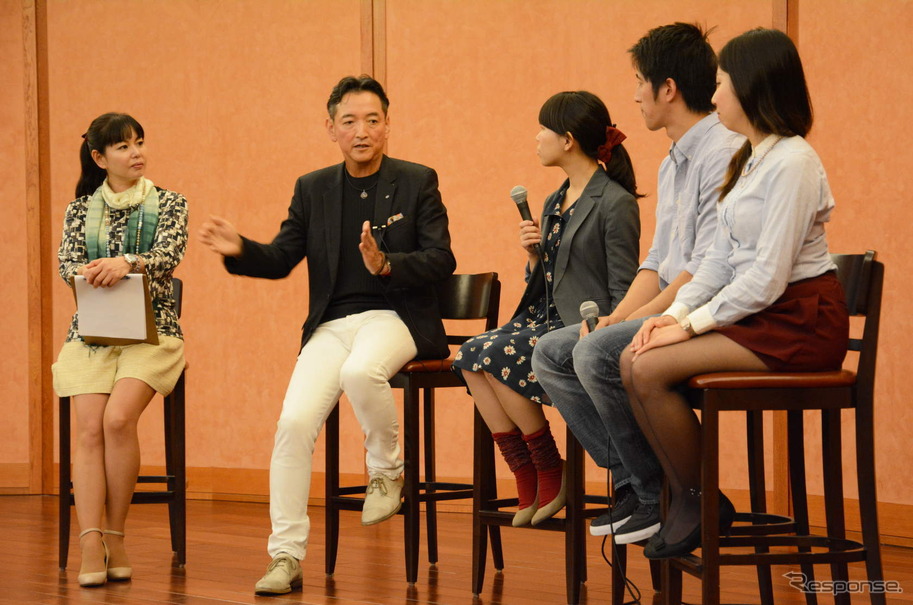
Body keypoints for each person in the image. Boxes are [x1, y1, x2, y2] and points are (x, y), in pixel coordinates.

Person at [198, 75, 456, 595]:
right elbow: (280, 258)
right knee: (293, 423)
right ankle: (285, 557)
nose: (361, 131)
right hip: (331, 325)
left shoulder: (416, 180)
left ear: (387, 124)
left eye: (372, 120)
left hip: (396, 316)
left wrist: (386, 264)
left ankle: (386, 472)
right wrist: (240, 248)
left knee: (361, 372)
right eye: (349, 121)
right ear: (331, 128)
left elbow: (442, 259)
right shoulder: (312, 188)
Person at [620, 27, 849, 559]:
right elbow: (719, 262)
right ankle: (687, 497)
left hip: (800, 321)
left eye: (722, 83)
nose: (715, 94)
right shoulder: (749, 158)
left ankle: (697, 499)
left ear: (752, 86)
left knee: (648, 368)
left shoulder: (794, 162)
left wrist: (691, 325)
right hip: (763, 315)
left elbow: (768, 277)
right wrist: (673, 315)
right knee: (638, 355)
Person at [533, 22, 742, 545]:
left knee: (594, 353)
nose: (633, 95)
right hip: (676, 299)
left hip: (705, 311)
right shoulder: (674, 159)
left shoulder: (722, 152)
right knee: (553, 352)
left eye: (639, 81)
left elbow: (704, 270)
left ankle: (654, 491)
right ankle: (639, 481)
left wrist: (637, 322)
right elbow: (657, 263)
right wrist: (617, 317)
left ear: (667, 88)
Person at [453, 91, 641, 527]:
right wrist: (535, 257)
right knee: (468, 355)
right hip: (542, 317)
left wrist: (603, 329)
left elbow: (625, 287)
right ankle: (528, 469)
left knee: (496, 355)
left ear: (569, 139)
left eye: (544, 129)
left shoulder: (614, 202)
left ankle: (548, 466)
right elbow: (549, 279)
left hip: (582, 326)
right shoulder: (555, 199)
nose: (537, 138)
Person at [51, 113, 189, 587]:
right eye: (124, 146)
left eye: (140, 143)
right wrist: (91, 272)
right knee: (89, 427)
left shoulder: (170, 203)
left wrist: (125, 261)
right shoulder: (78, 210)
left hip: (155, 332)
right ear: (99, 157)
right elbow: (66, 264)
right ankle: (90, 539)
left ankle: (116, 533)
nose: (136, 153)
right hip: (93, 332)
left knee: (116, 420)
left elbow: (168, 255)